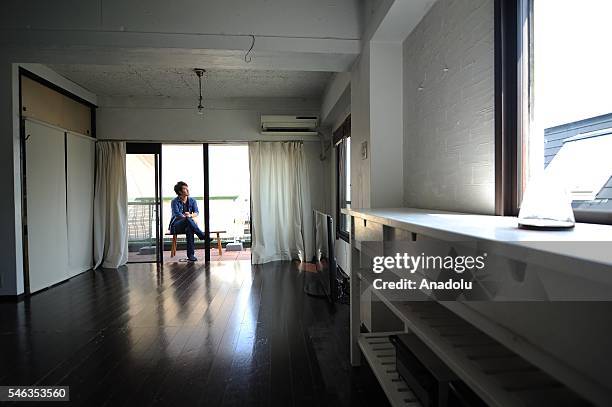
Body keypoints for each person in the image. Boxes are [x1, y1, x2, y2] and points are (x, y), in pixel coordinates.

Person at [169, 181, 205, 261]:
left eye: (187, 188)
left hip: (188, 224)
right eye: (185, 189)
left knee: (189, 229)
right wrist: (187, 217)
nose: (187, 190)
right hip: (176, 225)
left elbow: (196, 212)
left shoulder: (192, 200)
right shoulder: (174, 201)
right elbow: (177, 214)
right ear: (180, 192)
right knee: (188, 219)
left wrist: (190, 216)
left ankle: (191, 255)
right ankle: (201, 235)